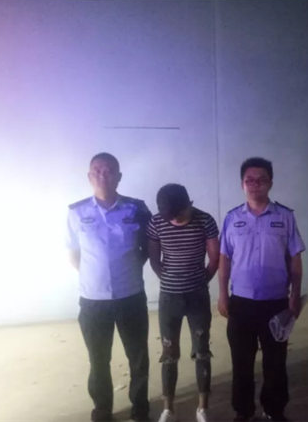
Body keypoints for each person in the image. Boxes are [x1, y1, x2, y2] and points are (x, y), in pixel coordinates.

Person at [218, 157, 306, 422]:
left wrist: (295, 294)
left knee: (275, 362)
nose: (255, 185)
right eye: (250, 180)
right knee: (241, 362)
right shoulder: (232, 218)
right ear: (242, 184)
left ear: (270, 183)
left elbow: (295, 258)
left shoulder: (285, 217)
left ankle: (274, 410)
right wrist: (222, 295)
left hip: (275, 303)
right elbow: (224, 259)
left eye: (261, 180)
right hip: (241, 302)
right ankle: (243, 412)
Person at [66, 153, 152, 422]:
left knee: (138, 357)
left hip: (131, 296)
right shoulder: (76, 212)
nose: (103, 175)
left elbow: (148, 247)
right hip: (93, 300)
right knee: (98, 359)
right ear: (89, 177)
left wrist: (127, 270)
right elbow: (73, 254)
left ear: (119, 176)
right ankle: (102, 411)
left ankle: (140, 411)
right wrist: (97, 276)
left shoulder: (137, 209)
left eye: (109, 170)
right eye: (97, 171)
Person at [147, 184, 220, 422]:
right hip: (169, 299)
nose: (174, 221)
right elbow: (154, 260)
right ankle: (168, 409)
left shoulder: (205, 221)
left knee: (202, 351)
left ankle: (203, 408)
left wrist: (199, 281)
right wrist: (170, 280)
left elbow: (214, 259)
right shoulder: (156, 222)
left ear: (189, 204)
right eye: (170, 217)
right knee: (169, 352)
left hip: (198, 297)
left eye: (178, 216)